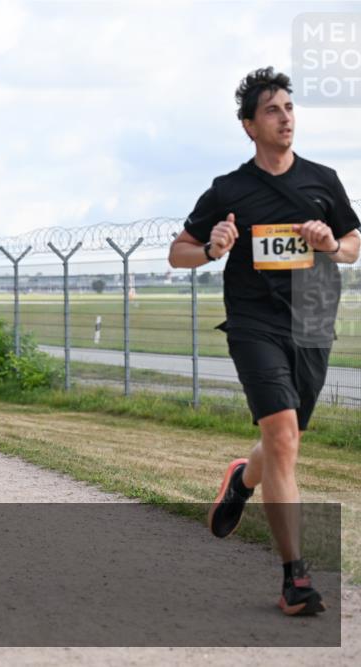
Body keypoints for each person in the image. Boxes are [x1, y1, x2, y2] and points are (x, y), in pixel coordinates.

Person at [169, 67, 360, 616]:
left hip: (312, 323)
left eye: (290, 108)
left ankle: (242, 478)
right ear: (250, 126)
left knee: (285, 441)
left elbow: (352, 245)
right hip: (254, 323)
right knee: (281, 435)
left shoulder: (323, 180)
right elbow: (178, 251)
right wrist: (212, 248)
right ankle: (294, 579)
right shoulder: (228, 190)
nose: (285, 118)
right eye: (272, 110)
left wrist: (330, 243)